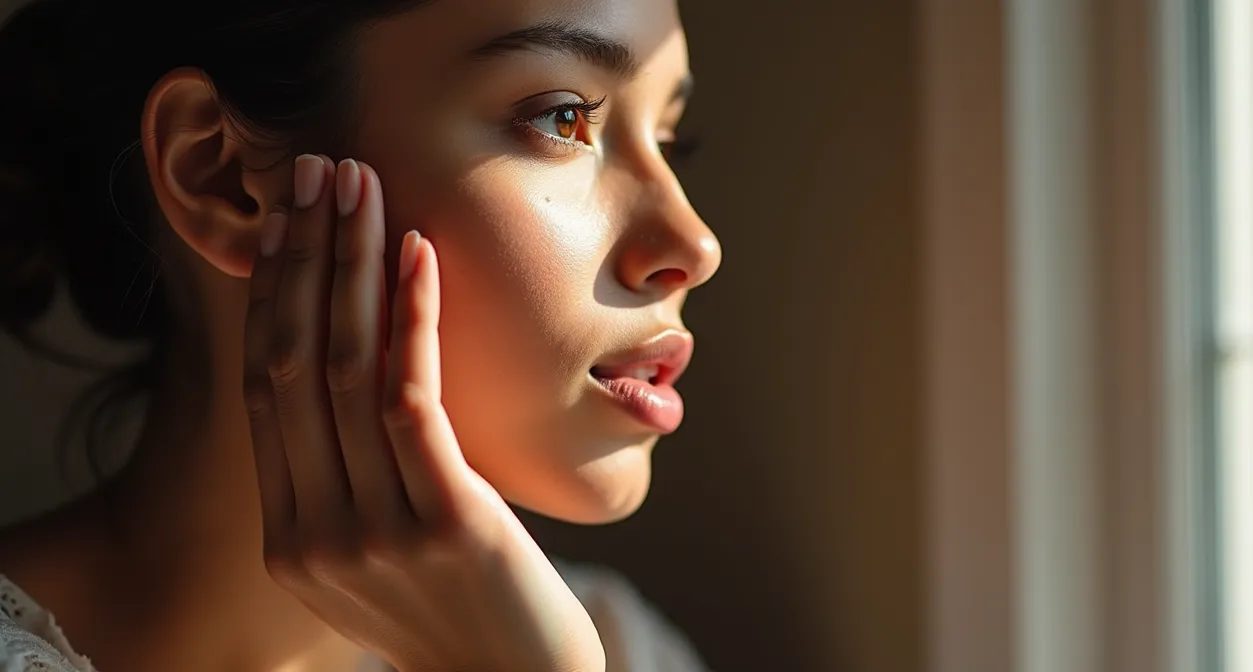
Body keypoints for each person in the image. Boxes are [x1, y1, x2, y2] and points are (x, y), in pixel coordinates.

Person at [0, 0, 722, 669]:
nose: (695, 245)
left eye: (669, 139)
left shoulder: (614, 646)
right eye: (563, 118)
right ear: (222, 178)